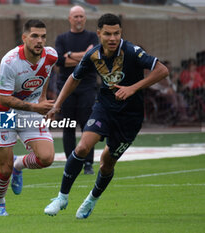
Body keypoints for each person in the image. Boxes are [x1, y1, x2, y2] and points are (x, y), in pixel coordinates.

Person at [44, 13, 168, 219]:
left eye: (116, 33)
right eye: (108, 34)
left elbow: (162, 70)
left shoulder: (132, 51)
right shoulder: (93, 54)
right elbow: (74, 79)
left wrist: (132, 88)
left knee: (106, 162)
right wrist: (57, 105)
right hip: (104, 107)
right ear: (99, 34)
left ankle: (91, 199)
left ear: (121, 33)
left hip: (130, 116)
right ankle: (61, 197)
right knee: (83, 147)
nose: (112, 38)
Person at [0, 19, 58, 216]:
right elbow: (4, 98)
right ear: (24, 38)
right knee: (5, 168)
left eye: (43, 36)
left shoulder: (51, 55)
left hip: (30, 110)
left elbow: (46, 75)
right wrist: (36, 106)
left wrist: (43, 100)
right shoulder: (10, 62)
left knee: (47, 158)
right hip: (5, 113)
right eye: (34, 36)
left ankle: (20, 164)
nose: (40, 41)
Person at [55, 5, 99, 175]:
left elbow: (94, 56)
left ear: (85, 18)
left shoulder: (92, 36)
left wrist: (70, 55)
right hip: (66, 89)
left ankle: (88, 163)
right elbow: (60, 60)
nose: (79, 19)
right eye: (76, 16)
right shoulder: (62, 38)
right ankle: (71, 164)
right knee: (68, 127)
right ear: (70, 19)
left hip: (87, 88)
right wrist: (84, 56)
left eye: (81, 16)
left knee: (88, 127)